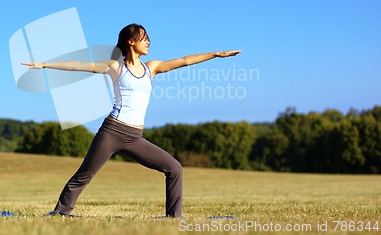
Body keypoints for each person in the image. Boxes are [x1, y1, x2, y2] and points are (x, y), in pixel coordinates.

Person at [21, 24, 241, 218]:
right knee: (84, 174)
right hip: (112, 132)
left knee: (174, 168)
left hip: (135, 138)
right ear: (131, 41)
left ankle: (174, 217)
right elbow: (79, 65)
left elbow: (184, 61)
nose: (148, 42)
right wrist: (43, 64)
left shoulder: (151, 68)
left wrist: (215, 54)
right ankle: (60, 212)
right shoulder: (115, 66)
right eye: (144, 38)